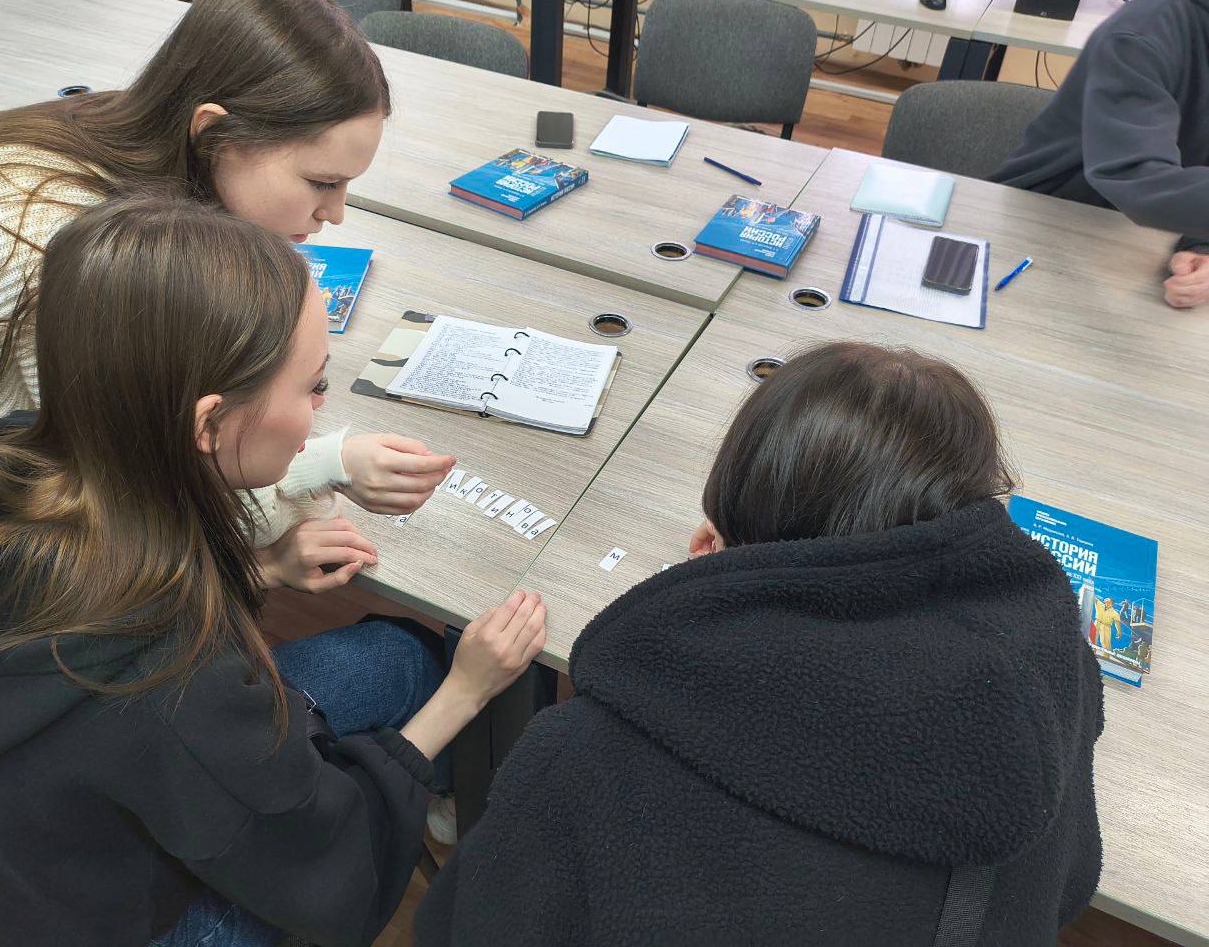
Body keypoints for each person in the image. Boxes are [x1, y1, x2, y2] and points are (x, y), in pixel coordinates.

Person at [0, 195, 548, 947]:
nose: (319, 411)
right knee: (427, 675)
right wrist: (466, 693)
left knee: (397, 656)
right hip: (85, 918)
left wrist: (262, 569)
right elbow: (333, 875)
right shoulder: (175, 684)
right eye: (314, 386)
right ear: (208, 422)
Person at [416, 342, 1104, 947]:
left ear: (720, 531)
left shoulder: (587, 756)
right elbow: (1071, 880)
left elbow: (460, 928)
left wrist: (714, 591)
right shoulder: (1048, 673)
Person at [0, 0, 453, 530]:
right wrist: (324, 466)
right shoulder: (59, 251)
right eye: (321, 182)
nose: (335, 214)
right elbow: (150, 503)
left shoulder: (141, 143)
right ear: (212, 133)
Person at [991, 0, 1209, 310]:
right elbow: (1134, 175)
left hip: (1131, 246)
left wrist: (1200, 247)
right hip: (1041, 218)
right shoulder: (1147, 28)